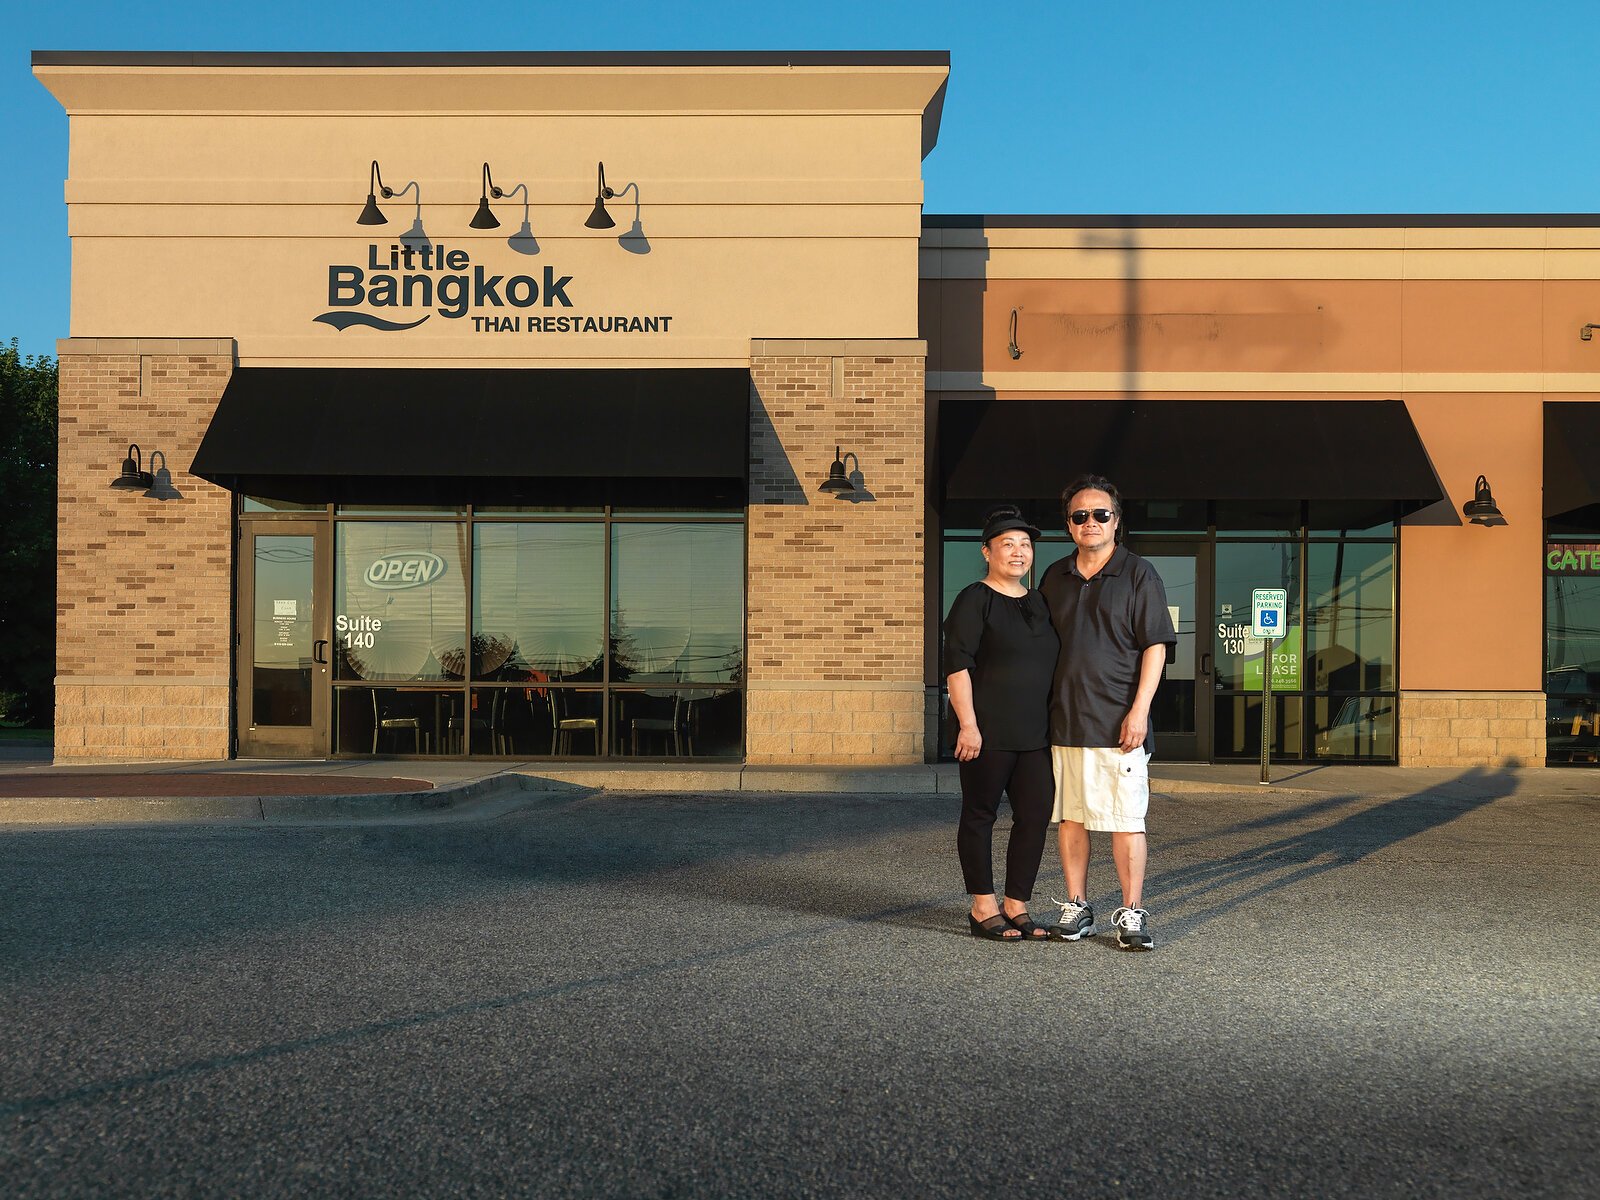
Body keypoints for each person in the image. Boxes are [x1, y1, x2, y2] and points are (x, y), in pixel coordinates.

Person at [1038, 476, 1176, 950]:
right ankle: (1078, 907)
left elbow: (1155, 647)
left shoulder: (1139, 574)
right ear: (1069, 524)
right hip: (1065, 722)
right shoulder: (1053, 577)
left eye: (1101, 514)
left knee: (1126, 820)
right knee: (1071, 818)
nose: (1090, 522)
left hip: (1120, 725)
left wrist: (1139, 712)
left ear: (1117, 521)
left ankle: (1132, 911)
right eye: (1080, 515)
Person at [943, 505, 1061, 941]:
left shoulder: (1040, 602)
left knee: (1035, 815)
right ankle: (982, 906)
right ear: (987, 551)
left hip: (1035, 735)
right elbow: (957, 665)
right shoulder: (975, 598)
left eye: (1025, 544)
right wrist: (968, 725)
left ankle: (1017, 903)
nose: (1018, 552)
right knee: (980, 815)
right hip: (987, 732)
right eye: (1007, 544)